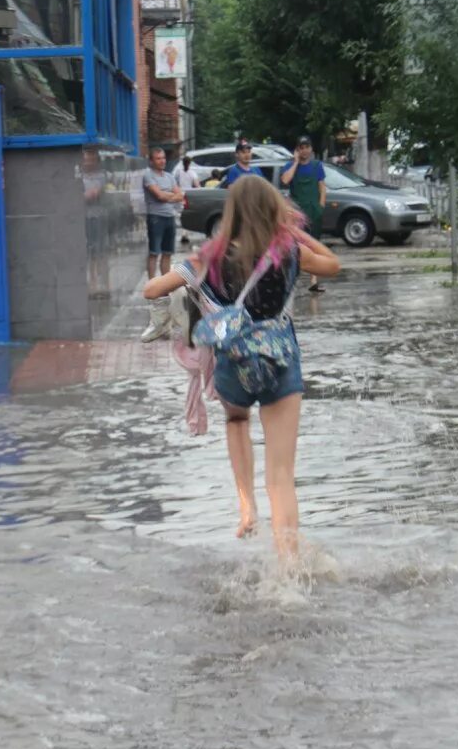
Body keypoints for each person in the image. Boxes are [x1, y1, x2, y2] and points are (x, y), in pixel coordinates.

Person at [143, 176, 340, 560]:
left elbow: (152, 291)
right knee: (282, 476)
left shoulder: (207, 258)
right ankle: (288, 566)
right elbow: (333, 264)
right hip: (280, 360)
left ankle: (246, 506)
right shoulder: (289, 253)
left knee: (237, 424)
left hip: (233, 362)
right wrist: (295, 233)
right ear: (273, 212)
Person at [140, 146, 184, 342]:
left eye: (163, 158)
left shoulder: (169, 176)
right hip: (155, 218)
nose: (162, 161)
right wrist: (170, 196)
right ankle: (153, 285)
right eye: (158, 158)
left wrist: (170, 195)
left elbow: (179, 195)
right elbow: (159, 196)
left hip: (169, 217)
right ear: (151, 160)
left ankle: (164, 285)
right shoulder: (148, 175)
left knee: (167, 253)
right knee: (154, 253)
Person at [281, 135, 328, 293]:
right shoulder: (289, 166)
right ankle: (291, 280)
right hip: (297, 213)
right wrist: (295, 162)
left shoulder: (317, 166)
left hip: (314, 210)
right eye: (301, 148)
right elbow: (286, 180)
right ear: (297, 150)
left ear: (311, 149)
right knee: (295, 246)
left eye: (307, 147)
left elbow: (322, 187)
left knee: (314, 245)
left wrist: (321, 205)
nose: (304, 150)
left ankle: (314, 281)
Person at [173, 155, 201, 246]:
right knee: (187, 215)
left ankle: (184, 233)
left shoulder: (178, 172)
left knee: (181, 215)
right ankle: (185, 234)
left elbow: (174, 184)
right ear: (189, 163)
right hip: (189, 195)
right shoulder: (193, 173)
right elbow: (197, 186)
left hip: (180, 195)